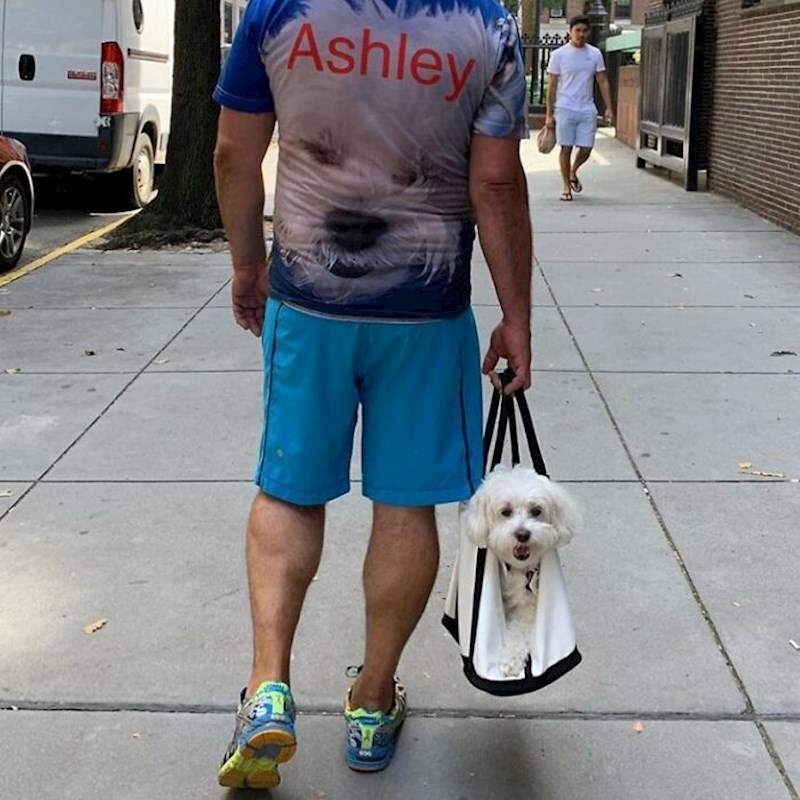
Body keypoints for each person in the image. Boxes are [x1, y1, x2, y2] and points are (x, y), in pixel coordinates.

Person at [212, 0, 533, 790]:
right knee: (406, 504)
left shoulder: (278, 11)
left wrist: (248, 265)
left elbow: (231, 153)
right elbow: (495, 182)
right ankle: (371, 700)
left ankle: (267, 689)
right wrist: (515, 316)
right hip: (425, 310)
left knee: (288, 489)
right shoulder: (486, 26)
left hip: (308, 302)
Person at [545, 15, 614, 201]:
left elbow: (602, 81)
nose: (581, 34)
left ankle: (573, 171)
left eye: (584, 31)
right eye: (577, 30)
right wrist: (549, 114)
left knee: (586, 147)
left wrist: (609, 107)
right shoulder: (559, 55)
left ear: (588, 32)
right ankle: (566, 186)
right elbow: (552, 85)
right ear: (570, 31)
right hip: (565, 107)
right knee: (566, 147)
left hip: (587, 107)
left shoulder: (595, 54)